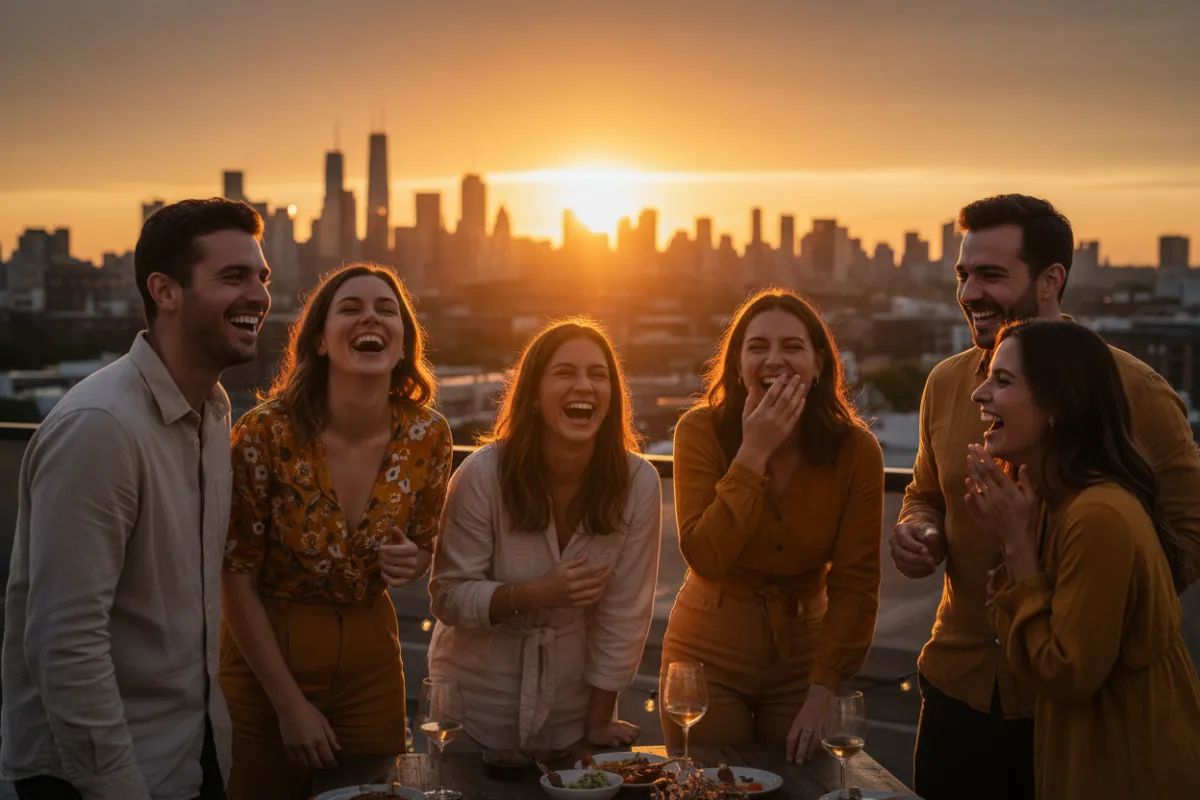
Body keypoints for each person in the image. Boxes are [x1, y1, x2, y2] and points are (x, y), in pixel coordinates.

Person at [890, 194, 1200, 800]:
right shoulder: (947, 383)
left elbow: (1187, 537)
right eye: (964, 274)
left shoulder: (1137, 392)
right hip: (959, 687)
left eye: (992, 275)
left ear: (1051, 280)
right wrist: (920, 529)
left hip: (1071, 705)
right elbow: (925, 492)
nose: (970, 292)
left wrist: (1089, 605)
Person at [1, 198, 271, 800]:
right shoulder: (101, 427)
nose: (258, 294)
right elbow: (65, 644)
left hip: (185, 756)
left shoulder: (214, 411)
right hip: (92, 776)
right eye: (233, 277)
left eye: (261, 276)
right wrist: (119, 787)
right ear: (165, 291)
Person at [219, 264, 452, 800]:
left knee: (371, 794)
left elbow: (421, 546)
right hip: (268, 659)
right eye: (351, 308)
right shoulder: (264, 433)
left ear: (402, 344)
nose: (370, 316)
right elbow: (235, 578)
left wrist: (412, 560)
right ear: (320, 341)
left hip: (371, 659)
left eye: (385, 309)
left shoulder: (428, 435)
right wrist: (288, 705)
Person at [968, 319, 1200, 798]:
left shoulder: (1097, 516)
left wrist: (1016, 544)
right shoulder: (1059, 503)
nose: (980, 394)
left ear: (1058, 405)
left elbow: (1066, 671)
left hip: (1125, 766)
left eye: (1003, 380)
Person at [658, 288, 883, 763]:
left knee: (805, 781)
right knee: (711, 785)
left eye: (793, 347)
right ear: (738, 364)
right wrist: (752, 452)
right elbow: (705, 555)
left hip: (803, 658)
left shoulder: (857, 452)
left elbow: (856, 582)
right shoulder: (698, 432)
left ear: (819, 363)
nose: (774, 360)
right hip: (706, 651)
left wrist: (825, 687)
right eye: (757, 346)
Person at [427, 318, 662, 754]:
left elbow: (624, 616)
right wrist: (536, 593)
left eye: (598, 375)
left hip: (575, 709)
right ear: (533, 396)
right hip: (474, 709)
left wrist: (596, 722)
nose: (584, 386)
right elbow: (449, 597)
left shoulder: (639, 483)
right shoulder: (482, 474)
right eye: (564, 373)